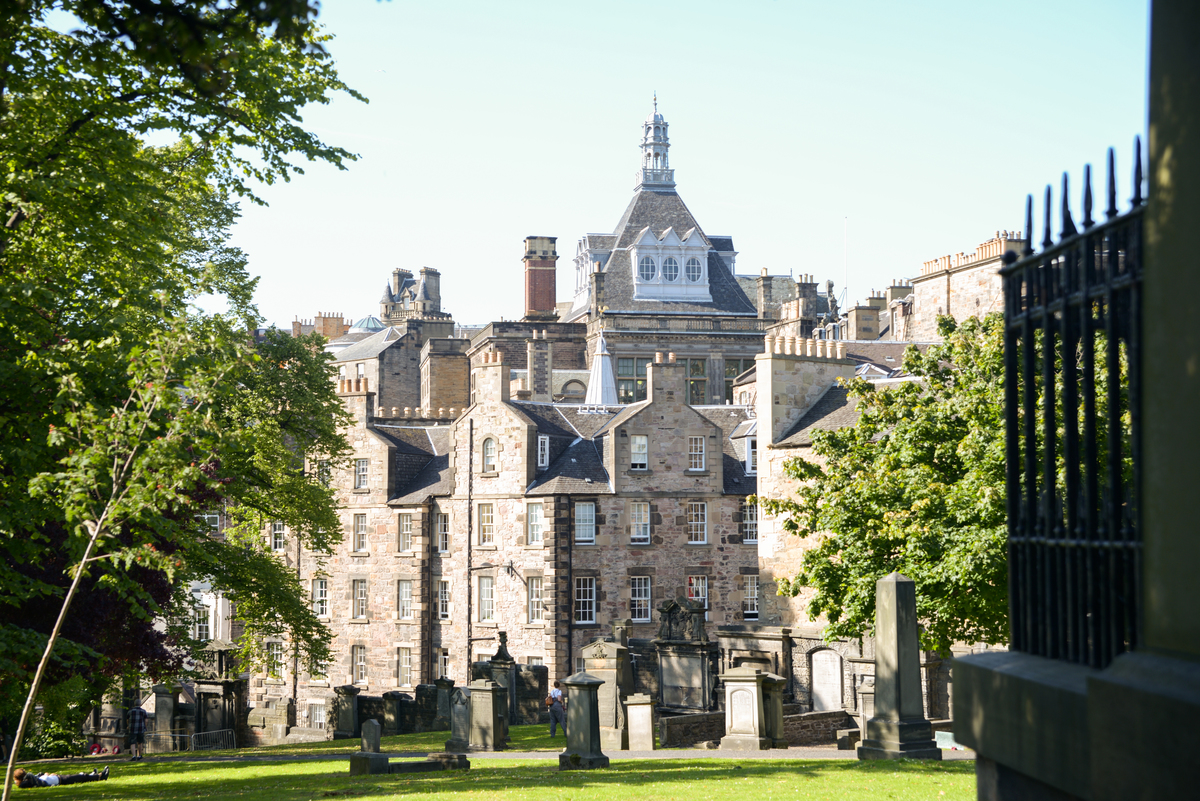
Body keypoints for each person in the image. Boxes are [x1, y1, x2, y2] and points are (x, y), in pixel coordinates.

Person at [13, 766, 109, 788]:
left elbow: (37, 777)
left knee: (79, 776)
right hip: (59, 781)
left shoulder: (30, 780)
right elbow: (39, 782)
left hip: (57, 778)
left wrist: (44, 774)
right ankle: (101, 776)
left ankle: (93, 775)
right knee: (80, 777)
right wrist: (46, 775)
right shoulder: (27, 782)